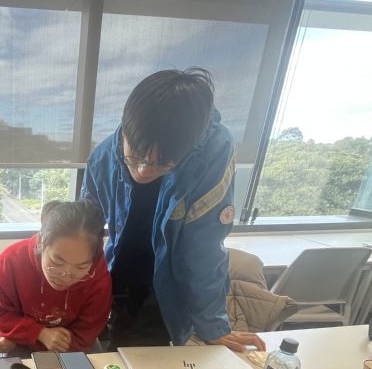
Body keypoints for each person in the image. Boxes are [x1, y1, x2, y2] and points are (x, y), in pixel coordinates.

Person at [81, 67, 265, 353]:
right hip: (122, 269)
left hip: (167, 280)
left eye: (162, 163)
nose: (143, 170)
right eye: (135, 156)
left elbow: (202, 246)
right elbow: (82, 230)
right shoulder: (104, 155)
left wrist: (212, 326)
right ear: (126, 128)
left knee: (149, 355)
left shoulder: (213, 152)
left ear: (187, 149)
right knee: (117, 346)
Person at [0, 199, 112, 355]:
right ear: (41, 242)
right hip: (21, 336)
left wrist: (50, 347)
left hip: (71, 341)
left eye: (81, 267)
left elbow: (87, 332)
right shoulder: (10, 262)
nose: (66, 276)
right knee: (9, 366)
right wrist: (38, 333)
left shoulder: (98, 275)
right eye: (57, 262)